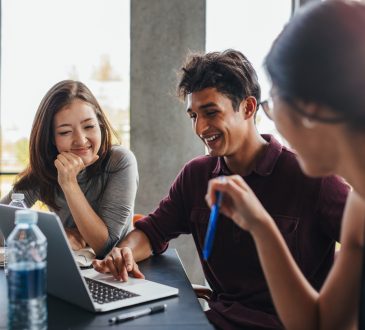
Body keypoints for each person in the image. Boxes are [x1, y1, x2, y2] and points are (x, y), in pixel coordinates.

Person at [93, 50, 349, 329]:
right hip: (215, 321)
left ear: (248, 108)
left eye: (211, 112)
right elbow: (152, 231)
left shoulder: (312, 178)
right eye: (193, 116)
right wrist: (125, 252)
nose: (201, 127)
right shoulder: (196, 175)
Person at [205, 1, 365, 329]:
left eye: (274, 102)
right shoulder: (359, 207)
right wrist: (261, 226)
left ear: (311, 108)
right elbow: (319, 324)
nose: (273, 123)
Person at [0, 80, 138, 258]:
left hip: (116, 274)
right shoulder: (46, 169)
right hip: (68, 270)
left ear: (100, 125)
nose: (80, 140)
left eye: (89, 126)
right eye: (65, 132)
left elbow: (104, 246)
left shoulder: (119, 161)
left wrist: (69, 183)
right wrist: (57, 234)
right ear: (51, 139)